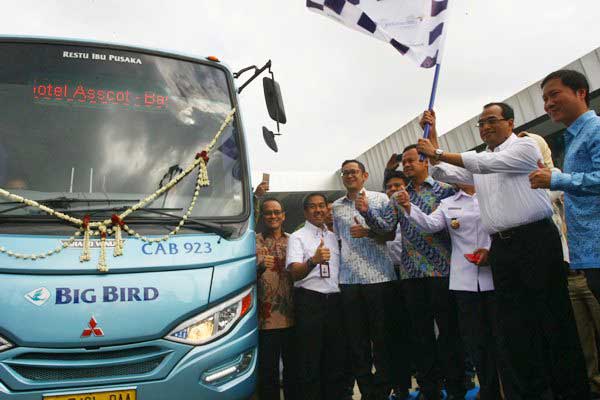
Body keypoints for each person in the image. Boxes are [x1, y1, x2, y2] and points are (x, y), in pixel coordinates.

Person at [417, 103, 589, 399]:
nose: (485, 127)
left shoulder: (524, 148)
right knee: (515, 327)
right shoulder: (483, 159)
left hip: (535, 241)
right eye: (480, 123)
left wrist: (438, 151)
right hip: (503, 248)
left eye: (491, 121)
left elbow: (480, 165)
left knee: (552, 320)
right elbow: (444, 171)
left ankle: (569, 391)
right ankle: (533, 391)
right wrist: (432, 133)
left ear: (510, 122)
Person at [357, 150, 466, 400]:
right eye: (403, 162)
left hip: (444, 270)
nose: (405, 165)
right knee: (421, 335)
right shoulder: (398, 195)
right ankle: (430, 389)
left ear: (425, 162)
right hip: (411, 274)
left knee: (449, 333)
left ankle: (457, 388)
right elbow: (385, 227)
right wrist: (366, 212)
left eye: (410, 161)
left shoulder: (444, 190)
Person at [395, 180, 502, 400]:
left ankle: (506, 387)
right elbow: (429, 225)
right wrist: (408, 207)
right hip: (464, 281)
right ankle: (488, 389)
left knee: (501, 337)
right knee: (476, 341)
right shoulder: (447, 202)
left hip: (494, 275)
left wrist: (492, 251)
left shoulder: (492, 195)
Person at [522, 130, 600, 397]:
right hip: (567, 274)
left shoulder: (563, 181)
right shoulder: (531, 188)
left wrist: (552, 177)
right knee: (580, 342)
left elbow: (554, 190)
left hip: (589, 267)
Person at [529, 69, 600, 302]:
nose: (548, 104)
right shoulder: (574, 137)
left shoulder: (595, 129)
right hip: (588, 252)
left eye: (554, 95)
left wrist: (556, 180)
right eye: (545, 100)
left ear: (581, 93)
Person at [332, 160, 398, 400]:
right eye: (345, 173)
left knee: (382, 339)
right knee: (357, 341)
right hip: (348, 281)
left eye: (354, 172)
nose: (349, 176)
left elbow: (390, 234)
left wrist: (369, 231)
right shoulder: (336, 207)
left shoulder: (380, 199)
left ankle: (382, 390)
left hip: (380, 278)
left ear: (365, 175)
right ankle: (367, 391)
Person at [286, 192, 346, 400]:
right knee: (310, 360)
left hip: (335, 303)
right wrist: (313, 261)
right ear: (305, 211)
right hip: (310, 302)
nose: (318, 210)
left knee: (335, 359)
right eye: (313, 206)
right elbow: (294, 273)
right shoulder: (297, 237)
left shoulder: (332, 236)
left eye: (322, 206)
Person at [255, 198, 296, 400]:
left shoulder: (293, 240)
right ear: (262, 216)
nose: (273, 216)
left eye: (277, 212)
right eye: (268, 212)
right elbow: (244, 275)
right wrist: (261, 266)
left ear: (283, 215)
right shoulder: (254, 241)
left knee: (293, 370)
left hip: (293, 315)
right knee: (267, 371)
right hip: (265, 318)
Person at [383, 170, 414, 400]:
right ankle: (401, 387)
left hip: (414, 276)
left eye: (398, 186)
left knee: (421, 331)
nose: (393, 190)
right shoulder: (382, 214)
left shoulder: (416, 209)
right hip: (391, 278)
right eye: (389, 187)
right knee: (395, 335)